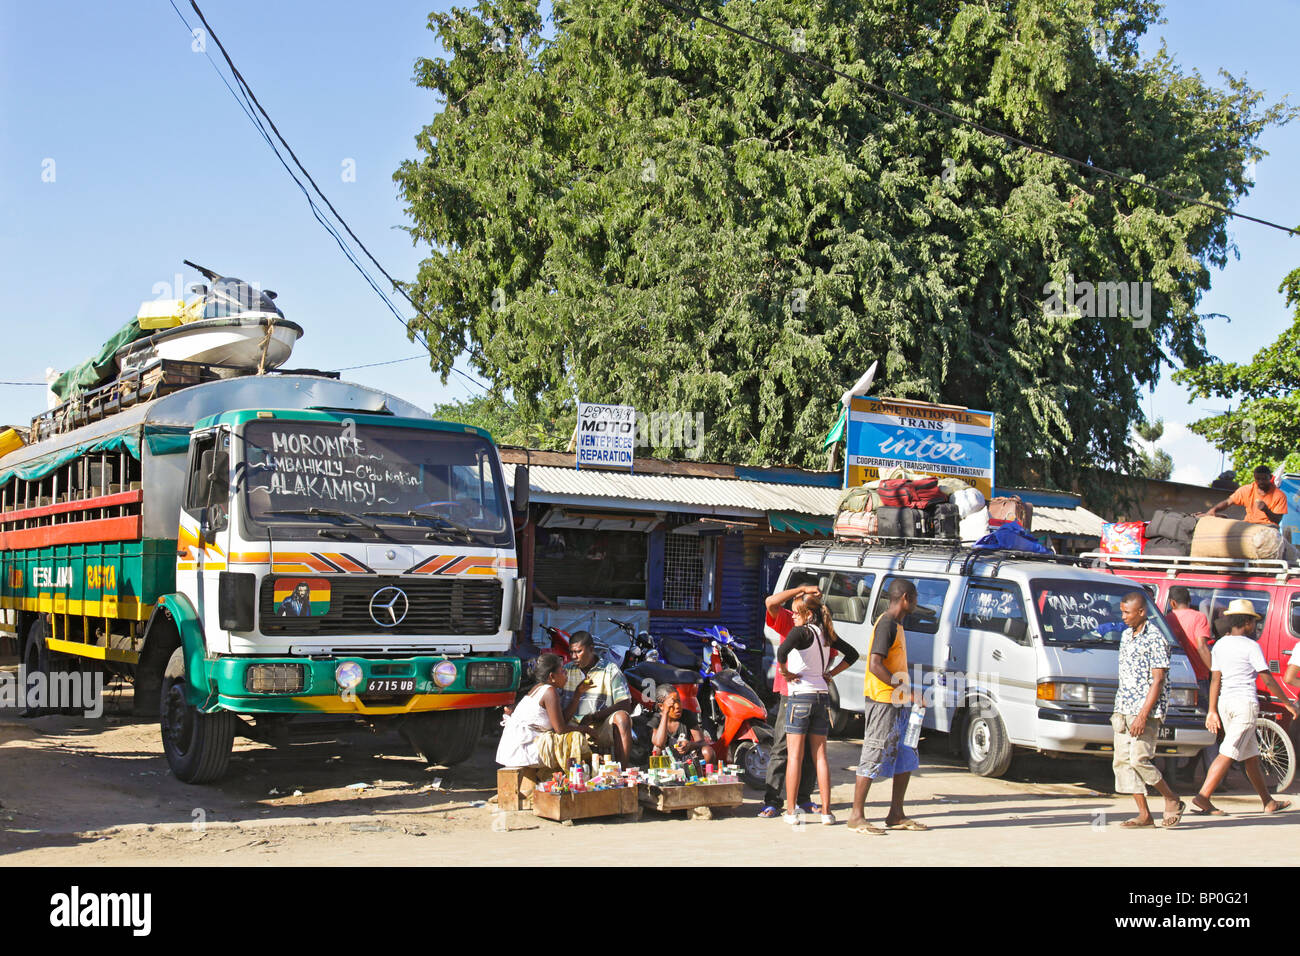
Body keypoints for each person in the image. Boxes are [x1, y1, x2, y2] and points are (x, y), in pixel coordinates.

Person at [1191, 600, 1299, 816]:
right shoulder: (1251, 646)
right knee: (1229, 751)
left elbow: (1215, 679)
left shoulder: (1220, 644)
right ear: (1248, 623)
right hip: (1244, 704)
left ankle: (1268, 801)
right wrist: (1287, 703)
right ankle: (1203, 797)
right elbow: (1267, 680)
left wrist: (1212, 710)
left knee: (1250, 756)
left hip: (1225, 703)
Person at [848, 578, 925, 835]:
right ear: (904, 598)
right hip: (883, 700)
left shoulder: (898, 624)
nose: (916, 602)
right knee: (873, 753)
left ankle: (896, 814)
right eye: (914, 597)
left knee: (906, 755)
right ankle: (856, 816)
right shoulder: (887, 624)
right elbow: (875, 665)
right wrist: (906, 689)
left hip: (899, 703)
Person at [775, 593, 856, 825]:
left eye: (795, 613)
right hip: (822, 696)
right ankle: (826, 813)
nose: (792, 617)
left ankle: (791, 812)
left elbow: (782, 653)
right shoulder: (825, 634)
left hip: (800, 696)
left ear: (808, 614)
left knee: (795, 757)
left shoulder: (801, 632)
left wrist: (785, 672)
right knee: (820, 756)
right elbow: (851, 654)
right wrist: (830, 674)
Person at [1111, 592, 1184, 828]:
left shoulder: (1155, 637)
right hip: (1123, 707)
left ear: (1141, 612)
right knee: (1123, 762)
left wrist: (1143, 715)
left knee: (1139, 759)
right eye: (1122, 611)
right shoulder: (1126, 635)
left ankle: (1171, 798)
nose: (1123, 617)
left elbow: (1158, 680)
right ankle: (1144, 814)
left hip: (1145, 710)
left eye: (1127, 612)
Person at [758, 583, 824, 818]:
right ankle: (773, 800)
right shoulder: (789, 620)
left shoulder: (820, 629)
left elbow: (836, 653)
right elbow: (770, 603)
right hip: (790, 694)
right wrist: (800, 589)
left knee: (808, 750)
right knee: (782, 746)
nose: (796, 612)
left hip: (815, 694)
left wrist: (828, 674)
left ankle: (803, 799)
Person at [496, 653, 595, 771]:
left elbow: (562, 721)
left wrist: (577, 694)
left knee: (572, 732)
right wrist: (586, 729)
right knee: (575, 738)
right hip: (524, 751)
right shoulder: (549, 691)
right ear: (552, 676)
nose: (566, 674)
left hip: (518, 749)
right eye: (562, 671)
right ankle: (580, 778)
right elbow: (560, 729)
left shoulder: (539, 688)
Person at [560, 631, 633, 763]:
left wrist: (593, 717)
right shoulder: (565, 671)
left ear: (591, 649)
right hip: (572, 728)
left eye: (578, 652)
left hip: (600, 728)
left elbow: (625, 704)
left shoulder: (610, 670)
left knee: (622, 718)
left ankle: (622, 774)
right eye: (571, 652)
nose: (574, 656)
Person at [649, 685, 716, 765]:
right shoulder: (657, 719)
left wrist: (690, 745)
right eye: (672, 704)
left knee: (708, 751)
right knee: (656, 749)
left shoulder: (687, 715)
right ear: (661, 706)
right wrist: (665, 713)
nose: (677, 706)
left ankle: (702, 774)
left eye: (679, 701)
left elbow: (702, 742)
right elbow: (659, 743)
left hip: (686, 759)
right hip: (666, 761)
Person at [1203, 466, 1287, 526]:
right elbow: (1228, 502)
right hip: (1248, 526)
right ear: (1254, 477)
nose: (1261, 481)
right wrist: (1213, 510)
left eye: (1264, 479)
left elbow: (1277, 520)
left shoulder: (1279, 495)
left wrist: (1266, 510)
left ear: (1271, 477)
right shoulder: (1247, 490)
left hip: (1268, 528)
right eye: (1258, 479)